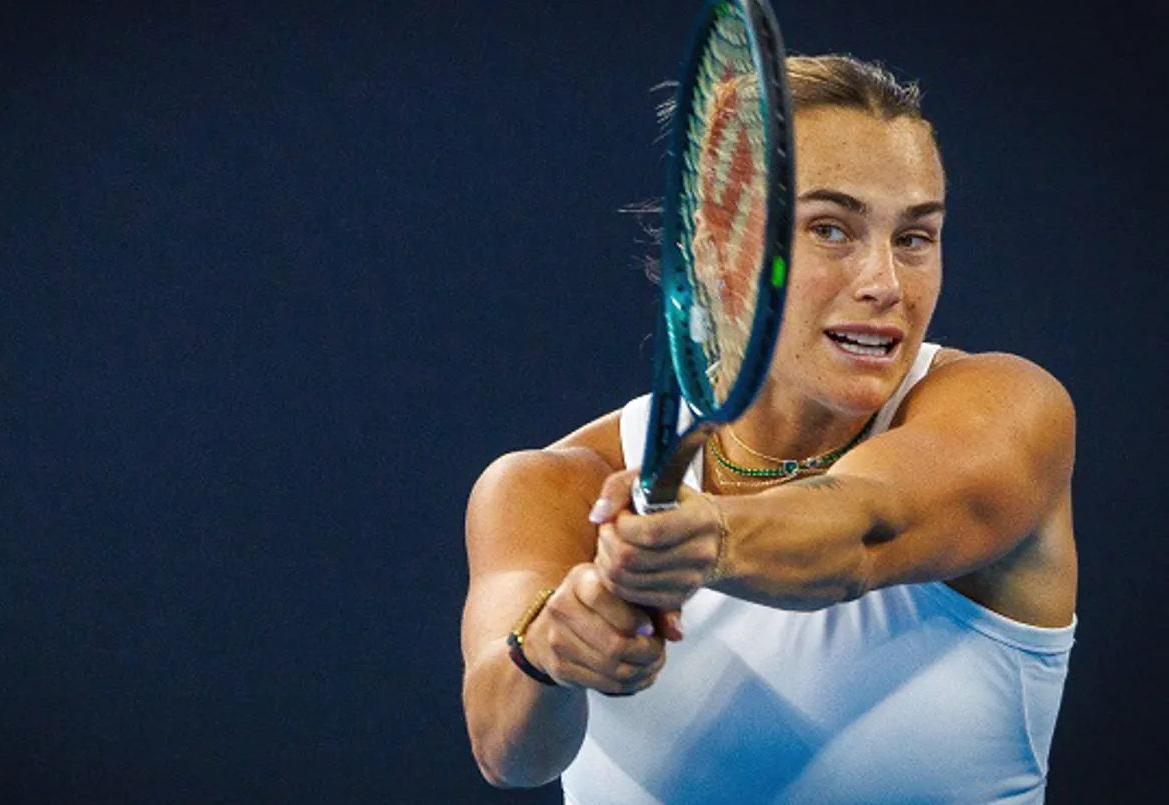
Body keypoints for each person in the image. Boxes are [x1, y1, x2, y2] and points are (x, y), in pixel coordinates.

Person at [460, 54, 1077, 804]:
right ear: (715, 251)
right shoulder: (547, 486)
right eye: (831, 229)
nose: (885, 283)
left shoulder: (1011, 410)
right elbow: (506, 750)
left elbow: (864, 530)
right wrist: (551, 650)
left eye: (915, 237)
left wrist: (711, 538)